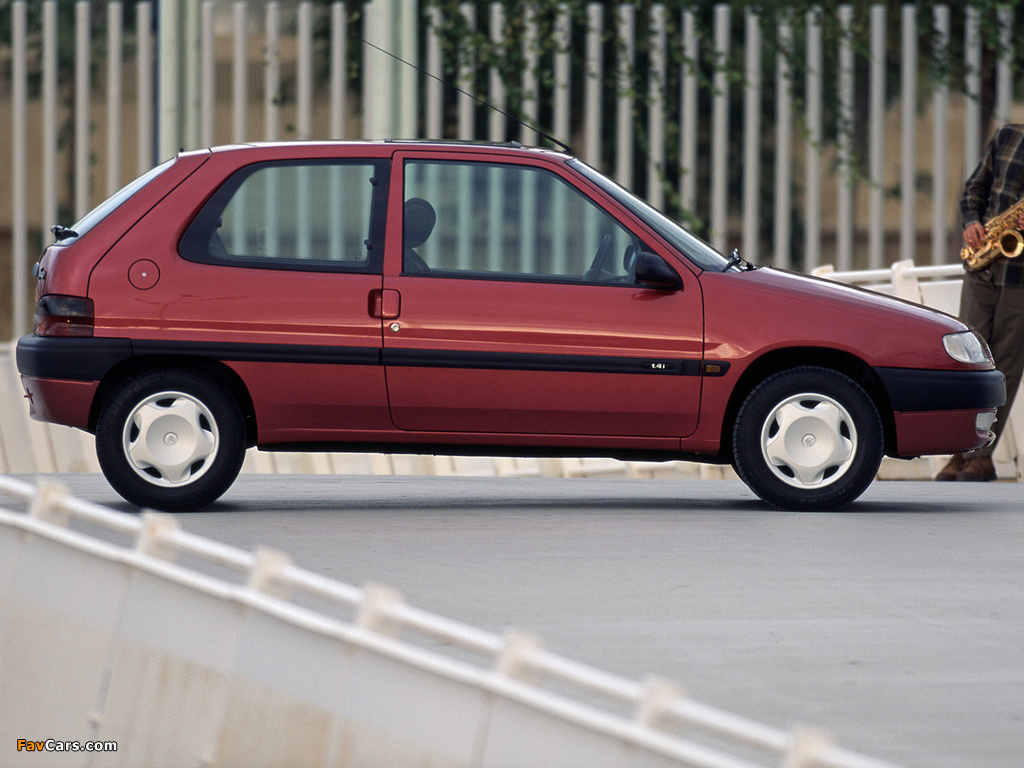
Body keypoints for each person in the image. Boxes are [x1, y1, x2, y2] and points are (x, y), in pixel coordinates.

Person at [936, 123, 1024, 481]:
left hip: (1020, 279)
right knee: (967, 359)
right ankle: (960, 451)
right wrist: (972, 221)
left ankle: (980, 455)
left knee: (1005, 366)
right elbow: (975, 188)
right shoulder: (1007, 137)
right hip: (983, 266)